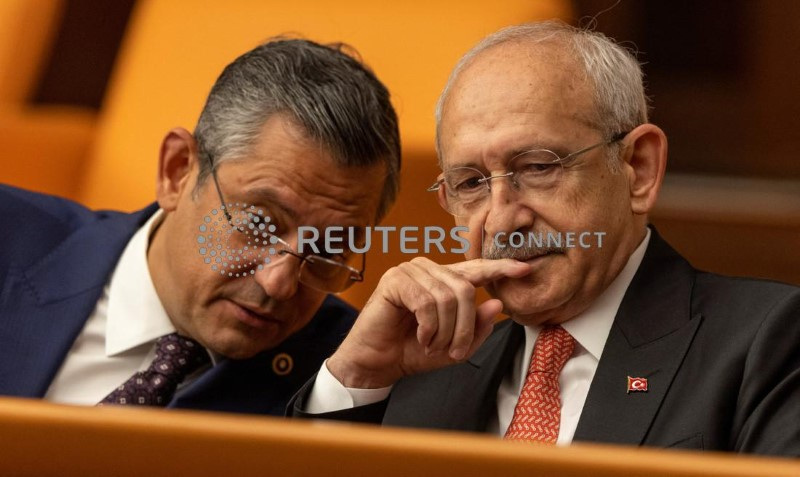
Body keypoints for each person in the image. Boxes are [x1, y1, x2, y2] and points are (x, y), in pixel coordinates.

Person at [290, 21, 800, 456]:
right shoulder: (417, 363)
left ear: (638, 169)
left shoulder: (767, 344)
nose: (502, 220)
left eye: (537, 168)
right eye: (471, 184)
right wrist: (353, 382)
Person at [0, 38, 400, 415]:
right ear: (177, 172)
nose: (279, 284)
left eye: (328, 249)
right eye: (259, 224)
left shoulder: (351, 376)